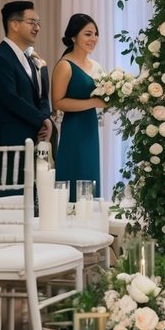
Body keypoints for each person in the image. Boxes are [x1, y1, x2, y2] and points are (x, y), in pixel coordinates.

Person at [0, 1, 51, 174]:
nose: (37, 27)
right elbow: (10, 98)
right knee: (11, 190)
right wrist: (40, 119)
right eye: (32, 22)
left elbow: (40, 96)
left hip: (32, 139)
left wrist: (45, 119)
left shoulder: (29, 59)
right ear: (14, 24)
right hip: (10, 142)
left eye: (38, 23)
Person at [51, 14, 106, 200]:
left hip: (90, 127)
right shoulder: (65, 65)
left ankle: (88, 214)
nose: (93, 39)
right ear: (74, 37)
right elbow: (57, 102)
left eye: (96, 34)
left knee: (90, 174)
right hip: (74, 129)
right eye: (88, 34)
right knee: (77, 172)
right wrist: (94, 103)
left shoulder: (95, 65)